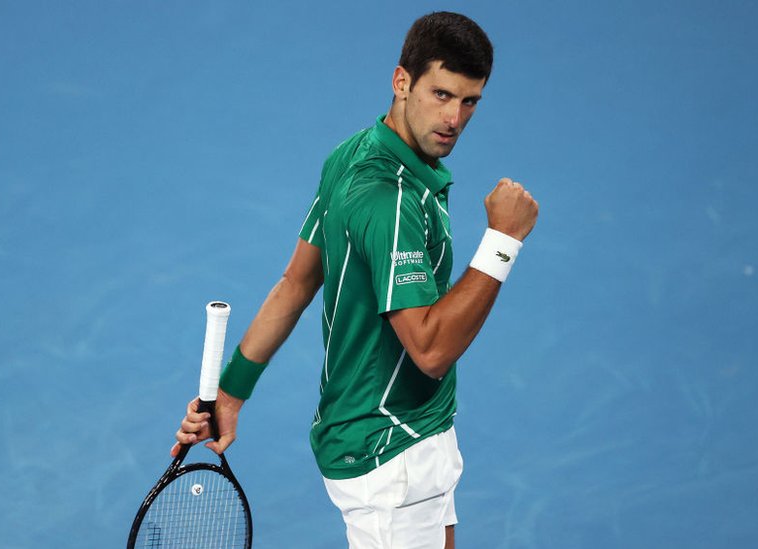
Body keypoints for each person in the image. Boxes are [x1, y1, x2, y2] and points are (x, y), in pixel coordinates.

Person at [171, 11, 538, 549]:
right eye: (440, 95)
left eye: (469, 101)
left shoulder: (350, 156)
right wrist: (503, 242)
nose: (454, 118)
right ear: (402, 82)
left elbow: (297, 283)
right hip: (390, 452)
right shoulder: (387, 202)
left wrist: (231, 391)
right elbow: (431, 350)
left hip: (409, 432)